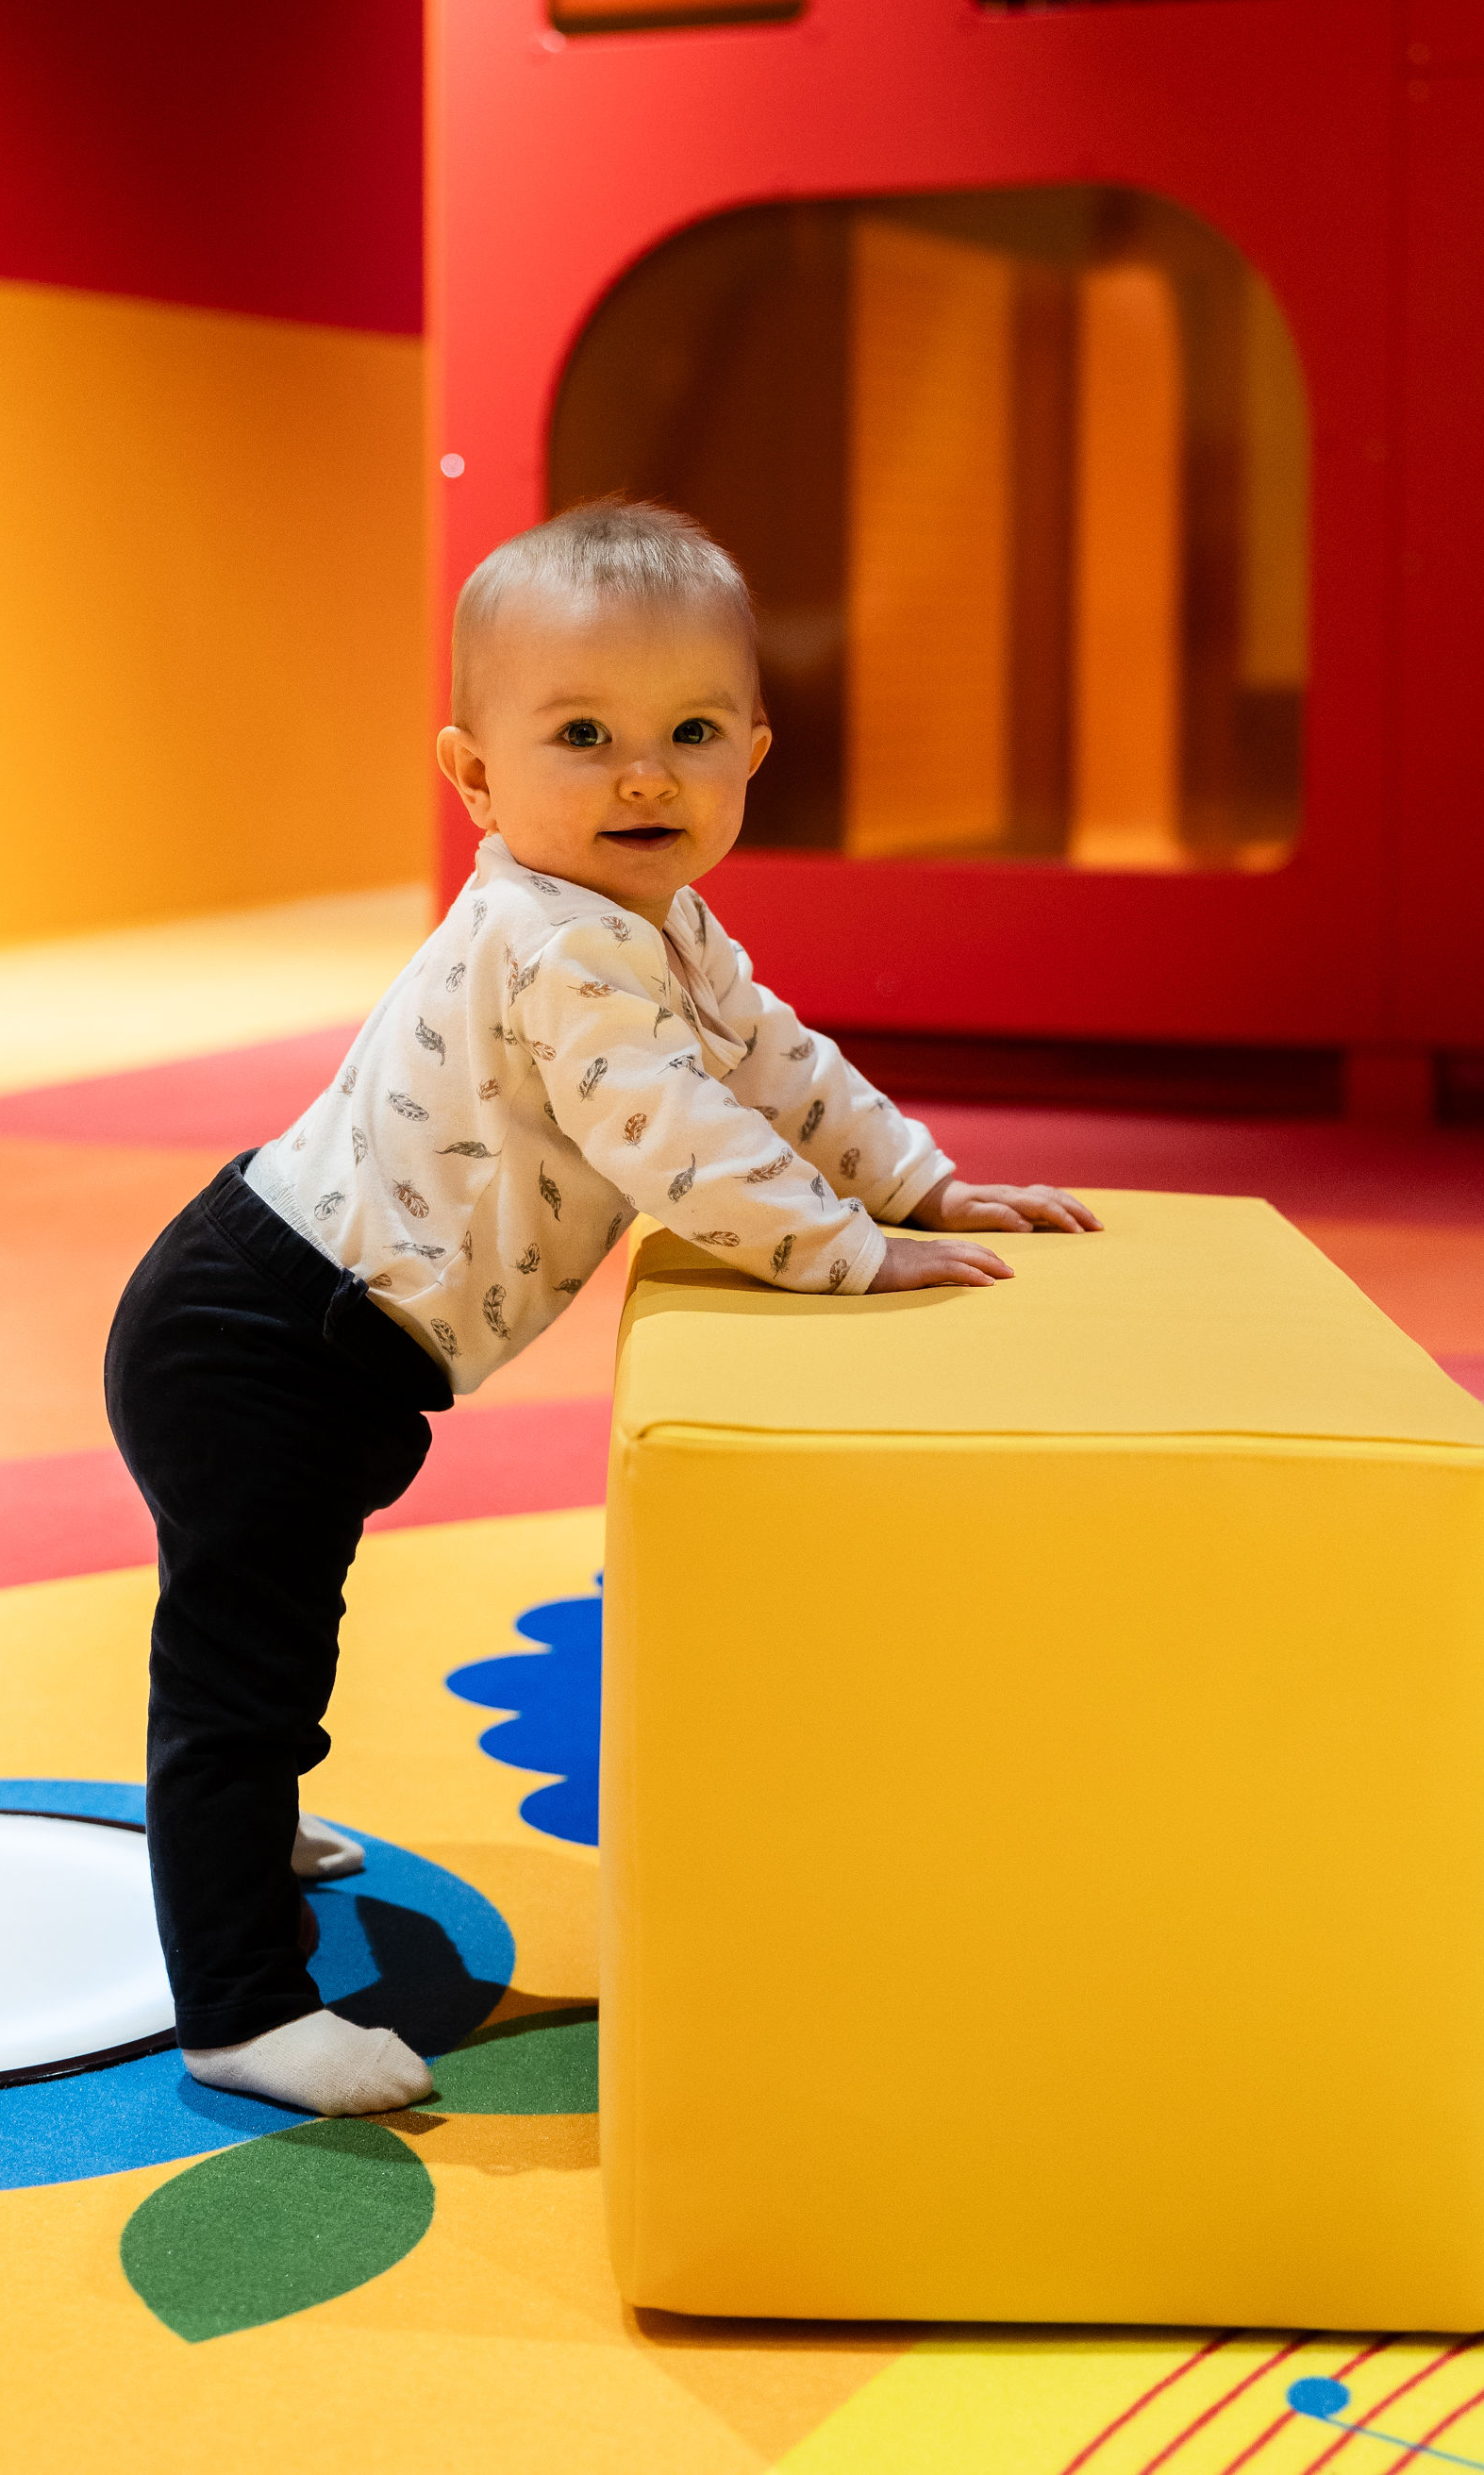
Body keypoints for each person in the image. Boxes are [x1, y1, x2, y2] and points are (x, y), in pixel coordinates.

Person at [105, 500, 1098, 2119]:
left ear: (752, 752)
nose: (644, 776)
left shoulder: (660, 928)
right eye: (584, 736)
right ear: (475, 777)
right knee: (241, 1673)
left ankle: (250, 1818)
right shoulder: (555, 942)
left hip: (317, 1337)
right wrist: (847, 1250)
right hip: (261, 1341)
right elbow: (675, 1137)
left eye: (689, 734)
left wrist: (921, 1184)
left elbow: (775, 1063)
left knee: (275, 1643)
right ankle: (239, 2004)